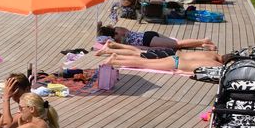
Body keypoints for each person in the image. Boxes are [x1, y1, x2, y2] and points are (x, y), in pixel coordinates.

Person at [104, 48, 234, 74]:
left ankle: (117, 58)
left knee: (144, 60)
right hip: (176, 63)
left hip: (175, 57)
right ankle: (115, 60)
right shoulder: (216, 65)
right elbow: (199, 71)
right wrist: (183, 72)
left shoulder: (212, 54)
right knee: (143, 62)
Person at [95, 25, 216, 52]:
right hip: (148, 34)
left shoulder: (118, 41)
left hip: (147, 41)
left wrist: (156, 48)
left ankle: (203, 41)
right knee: (175, 43)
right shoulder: (119, 29)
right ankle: (203, 45)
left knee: (177, 44)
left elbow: (138, 47)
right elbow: (128, 32)